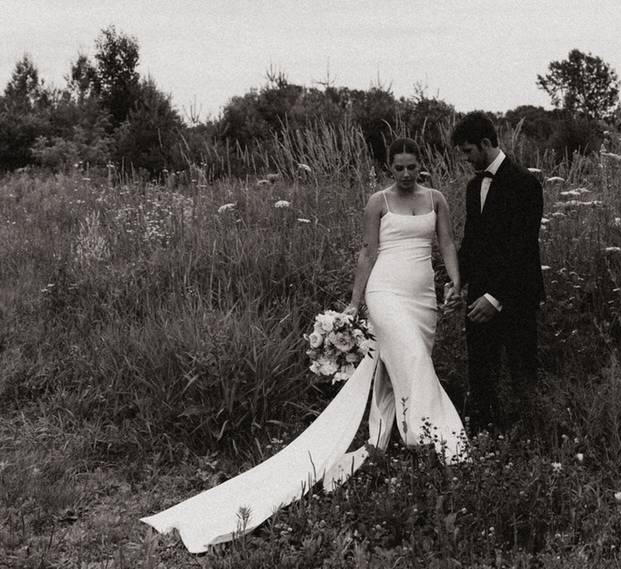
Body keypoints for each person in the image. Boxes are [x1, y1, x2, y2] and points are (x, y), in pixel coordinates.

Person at [140, 138, 467, 554]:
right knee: (415, 360)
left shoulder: (436, 198)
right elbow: (368, 252)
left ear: (421, 166)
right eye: (399, 167)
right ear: (389, 168)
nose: (406, 174)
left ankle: (390, 438)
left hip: (423, 298)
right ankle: (440, 445)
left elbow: (447, 245)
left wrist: (454, 282)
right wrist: (354, 302)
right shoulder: (378, 201)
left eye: (412, 167)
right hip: (386, 294)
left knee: (403, 368)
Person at [450, 111, 545, 432]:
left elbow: (523, 249)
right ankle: (483, 439)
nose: (465, 159)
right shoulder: (473, 186)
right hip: (478, 296)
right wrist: (457, 281)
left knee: (522, 374)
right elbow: (472, 242)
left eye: (468, 151)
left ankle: (533, 441)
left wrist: (496, 297)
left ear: (486, 143)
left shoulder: (525, 183)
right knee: (481, 374)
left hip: (515, 297)